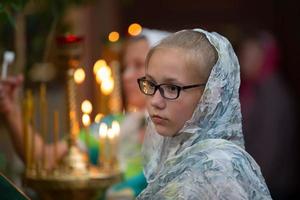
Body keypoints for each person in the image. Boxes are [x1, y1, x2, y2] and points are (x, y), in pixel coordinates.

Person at [136, 28, 272, 199]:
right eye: (150, 83)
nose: (155, 101)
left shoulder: (220, 171)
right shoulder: (178, 149)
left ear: (210, 95)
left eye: (172, 88)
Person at [239, 30, 298, 199]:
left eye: (252, 56)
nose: (245, 62)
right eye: (244, 55)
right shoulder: (255, 87)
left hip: (270, 184)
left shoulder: (271, 91)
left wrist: (252, 184)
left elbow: (270, 144)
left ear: (266, 57)